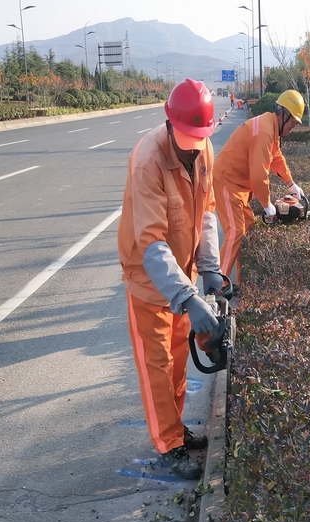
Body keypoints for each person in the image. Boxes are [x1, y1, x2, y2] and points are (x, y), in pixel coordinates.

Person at [118, 78, 224, 480]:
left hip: (183, 272)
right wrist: (188, 296)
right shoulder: (148, 160)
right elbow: (151, 242)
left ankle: (176, 429)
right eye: (187, 141)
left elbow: (207, 211)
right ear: (169, 124)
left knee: (179, 358)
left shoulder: (204, 148)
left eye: (199, 140)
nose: (193, 148)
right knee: (158, 365)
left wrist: (209, 269)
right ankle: (168, 445)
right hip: (149, 277)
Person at [213, 89, 306, 280]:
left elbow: (276, 157)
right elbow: (258, 174)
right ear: (284, 114)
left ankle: (242, 283)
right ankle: (218, 285)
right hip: (227, 182)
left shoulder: (271, 127)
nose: (293, 127)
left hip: (239, 186)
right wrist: (266, 204)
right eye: (293, 122)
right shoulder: (264, 131)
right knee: (236, 232)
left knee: (247, 230)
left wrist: (291, 184)